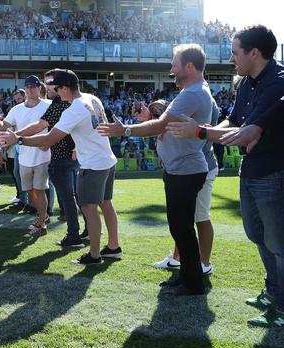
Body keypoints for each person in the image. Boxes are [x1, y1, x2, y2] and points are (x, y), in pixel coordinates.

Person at [166, 25, 284, 325]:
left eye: (235, 52)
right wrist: (209, 132)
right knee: (257, 235)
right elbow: (234, 121)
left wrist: (202, 132)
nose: (231, 58)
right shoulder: (247, 83)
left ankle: (282, 306)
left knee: (279, 243)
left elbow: (245, 133)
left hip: (273, 172)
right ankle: (273, 290)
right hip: (251, 170)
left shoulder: (277, 83)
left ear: (254, 53)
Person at [99, 44, 214, 295]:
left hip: (185, 170)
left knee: (182, 228)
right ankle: (187, 276)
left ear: (189, 66)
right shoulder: (193, 91)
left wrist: (125, 130)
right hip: (180, 169)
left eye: (174, 64)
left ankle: (192, 283)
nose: (171, 69)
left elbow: (160, 125)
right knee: (180, 228)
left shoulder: (192, 93)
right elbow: (164, 124)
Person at [0, 69, 122, 265]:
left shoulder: (74, 108)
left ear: (65, 88)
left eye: (56, 88)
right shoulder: (91, 98)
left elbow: (49, 137)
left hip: (92, 164)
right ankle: (113, 246)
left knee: (89, 208)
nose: (54, 92)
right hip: (106, 159)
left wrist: (18, 139)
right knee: (106, 204)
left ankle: (95, 255)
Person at [153, 98, 219, 276]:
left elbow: (200, 136)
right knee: (182, 219)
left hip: (199, 168)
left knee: (200, 216)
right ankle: (177, 259)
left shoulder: (203, 99)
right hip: (185, 170)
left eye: (161, 112)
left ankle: (204, 263)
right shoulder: (194, 96)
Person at [0, 76, 51, 237]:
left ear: (39, 88)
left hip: (43, 155)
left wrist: (49, 142)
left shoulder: (49, 106)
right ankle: (43, 215)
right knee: (29, 190)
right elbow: (5, 125)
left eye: (33, 86)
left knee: (39, 190)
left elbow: (58, 127)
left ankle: (41, 223)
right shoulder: (16, 109)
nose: (30, 89)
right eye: (27, 87)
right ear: (24, 89)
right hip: (24, 155)